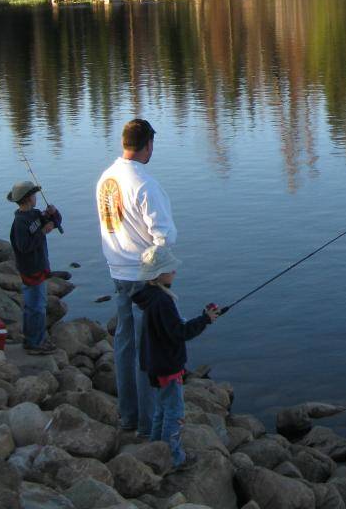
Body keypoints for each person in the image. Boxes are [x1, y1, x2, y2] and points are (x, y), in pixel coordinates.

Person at [96, 118, 177, 436]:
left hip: (117, 271)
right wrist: (165, 270)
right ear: (148, 145)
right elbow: (164, 235)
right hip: (144, 277)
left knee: (125, 345)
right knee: (148, 350)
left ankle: (128, 416)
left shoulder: (106, 178)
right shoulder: (143, 183)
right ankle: (147, 425)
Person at [132, 244, 218, 468]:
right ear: (159, 274)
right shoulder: (163, 301)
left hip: (155, 365)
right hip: (167, 367)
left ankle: (156, 448)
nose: (175, 272)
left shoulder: (150, 297)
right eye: (171, 269)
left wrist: (201, 318)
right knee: (175, 412)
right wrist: (205, 320)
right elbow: (180, 333)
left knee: (161, 409)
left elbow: (170, 328)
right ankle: (174, 457)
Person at [7, 180, 61, 354]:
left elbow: (56, 221)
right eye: (34, 195)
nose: (36, 198)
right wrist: (43, 232)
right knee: (36, 306)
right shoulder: (20, 223)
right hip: (31, 269)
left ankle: (33, 338)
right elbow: (24, 247)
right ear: (29, 198)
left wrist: (54, 214)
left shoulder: (35, 214)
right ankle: (35, 342)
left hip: (39, 266)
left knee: (35, 305)